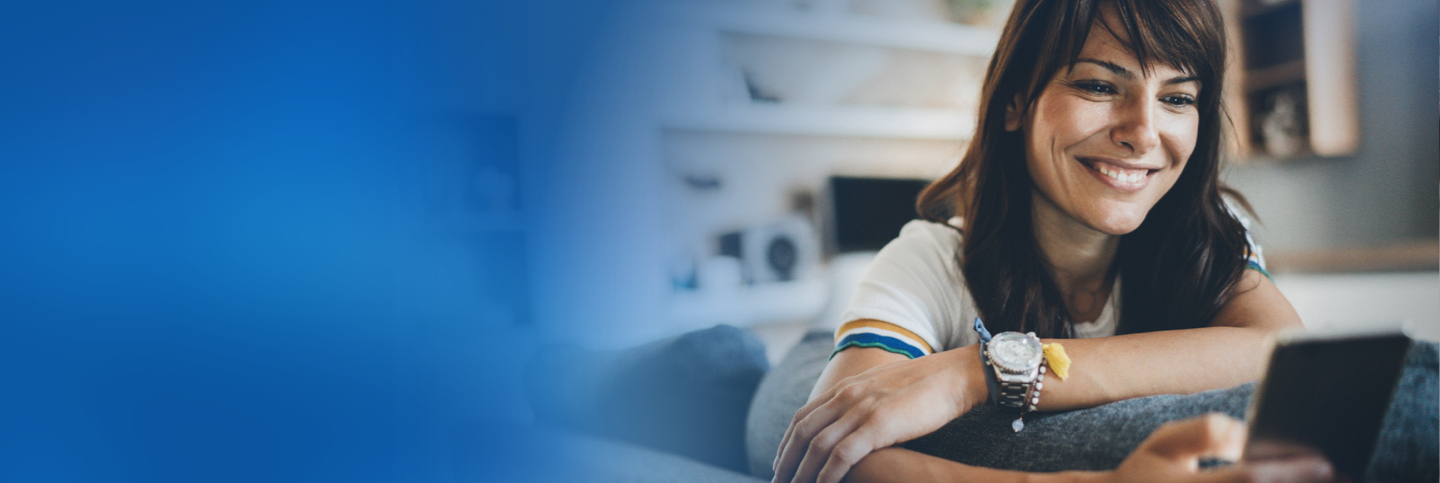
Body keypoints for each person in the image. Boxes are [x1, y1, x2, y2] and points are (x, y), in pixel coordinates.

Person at [770, 0, 1330, 482]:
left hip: (945, 358)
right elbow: (836, 455)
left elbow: (1281, 351)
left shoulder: (1210, 230)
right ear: (1016, 100)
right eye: (1098, 84)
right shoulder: (930, 259)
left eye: (1178, 98)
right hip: (824, 352)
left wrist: (978, 372)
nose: (1143, 132)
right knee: (768, 392)